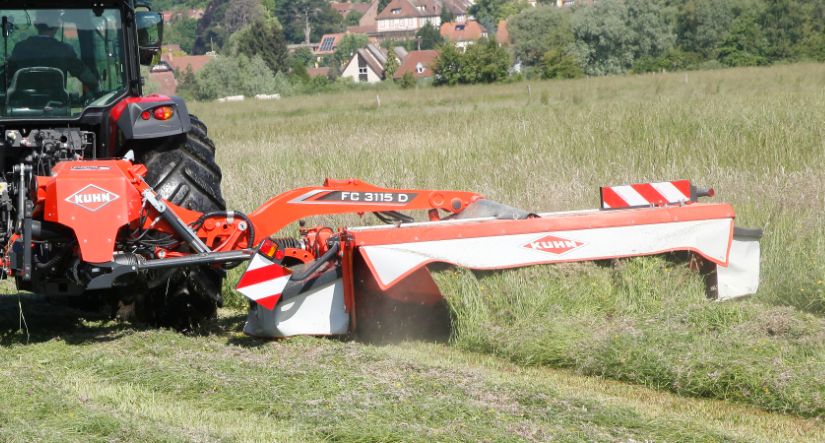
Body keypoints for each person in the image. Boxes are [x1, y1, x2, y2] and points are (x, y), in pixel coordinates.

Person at [7, 10, 98, 90]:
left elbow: (8, 76)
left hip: (23, 104)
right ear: (57, 25)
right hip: (57, 105)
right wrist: (96, 85)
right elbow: (87, 77)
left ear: (35, 24)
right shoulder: (65, 50)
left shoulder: (20, 48)